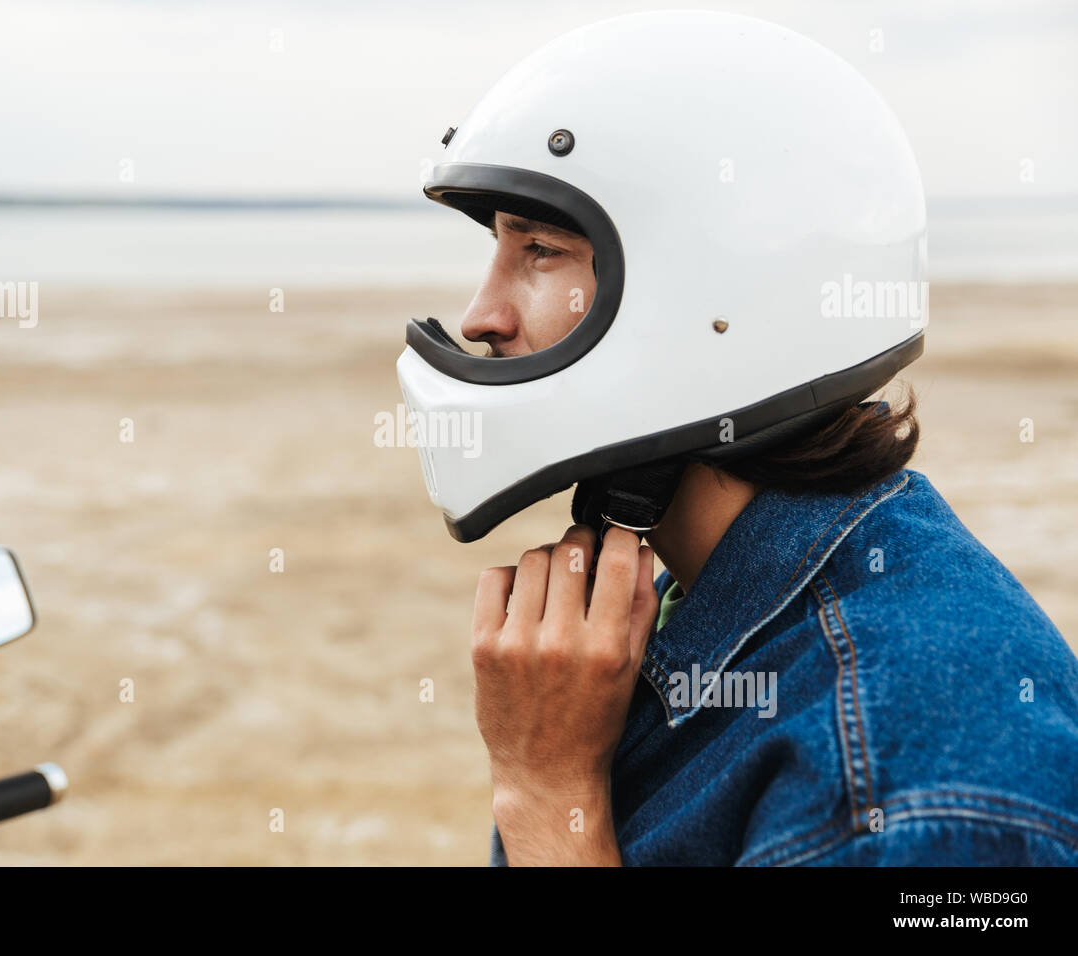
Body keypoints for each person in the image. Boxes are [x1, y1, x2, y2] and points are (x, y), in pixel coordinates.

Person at [395, 11, 1078, 865]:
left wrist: (544, 792)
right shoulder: (699, 604)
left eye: (539, 250)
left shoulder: (916, 780)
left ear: (713, 293)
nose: (479, 317)